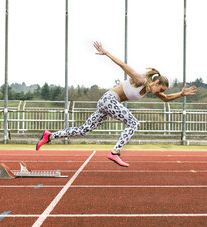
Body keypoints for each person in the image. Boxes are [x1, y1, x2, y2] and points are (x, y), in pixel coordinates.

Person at [36, 42, 197, 167]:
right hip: (109, 100)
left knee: (83, 130)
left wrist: (181, 94)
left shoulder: (150, 90)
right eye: (159, 88)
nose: (159, 92)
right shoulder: (141, 80)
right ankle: (115, 152)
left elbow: (166, 98)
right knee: (133, 123)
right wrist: (106, 53)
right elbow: (123, 65)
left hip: (108, 103)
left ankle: (49, 136)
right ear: (155, 82)